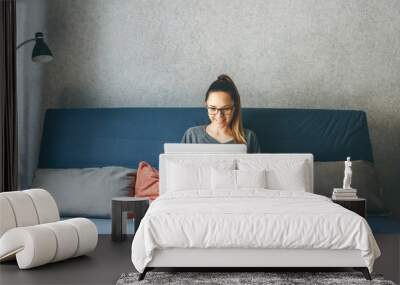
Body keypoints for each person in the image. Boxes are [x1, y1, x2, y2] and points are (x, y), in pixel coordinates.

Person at [181, 74, 261, 153]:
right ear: (206, 105)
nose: (219, 115)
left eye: (226, 109)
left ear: (234, 107)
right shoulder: (192, 135)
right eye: (212, 108)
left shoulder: (249, 138)